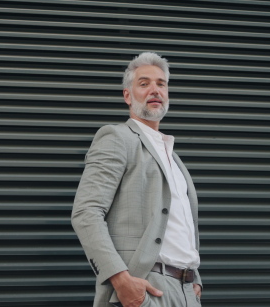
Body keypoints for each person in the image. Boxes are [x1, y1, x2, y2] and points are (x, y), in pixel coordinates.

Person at [71, 52, 203, 307]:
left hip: (186, 291)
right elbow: (86, 212)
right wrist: (121, 280)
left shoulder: (173, 157)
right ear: (128, 95)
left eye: (161, 83)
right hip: (145, 288)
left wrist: (195, 279)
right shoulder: (116, 138)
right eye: (144, 84)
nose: (154, 89)